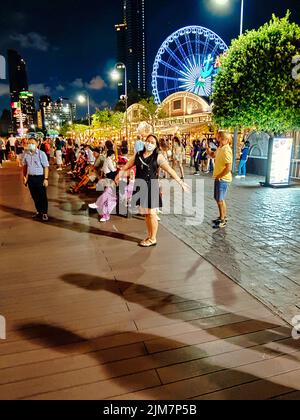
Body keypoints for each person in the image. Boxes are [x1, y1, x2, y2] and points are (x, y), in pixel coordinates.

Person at [115, 134, 189, 247]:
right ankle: (150, 236)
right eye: (148, 141)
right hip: (140, 186)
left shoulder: (158, 157)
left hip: (151, 186)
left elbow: (169, 170)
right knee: (146, 214)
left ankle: (153, 238)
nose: (149, 143)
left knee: (152, 213)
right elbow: (127, 166)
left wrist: (181, 182)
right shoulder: (138, 155)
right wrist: (119, 175)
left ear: (156, 145)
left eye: (152, 142)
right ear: (145, 142)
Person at [207, 131, 233, 229]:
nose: (218, 139)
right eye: (218, 138)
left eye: (220, 138)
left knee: (220, 200)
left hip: (223, 179)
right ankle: (222, 217)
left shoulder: (226, 150)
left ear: (226, 139)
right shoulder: (220, 148)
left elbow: (229, 167)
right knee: (217, 198)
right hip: (219, 178)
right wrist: (209, 151)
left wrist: (219, 176)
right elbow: (213, 155)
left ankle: (223, 220)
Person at [22, 138, 50, 221]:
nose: (31, 145)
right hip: (31, 178)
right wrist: (24, 177)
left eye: (33, 143)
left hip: (40, 178)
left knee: (42, 196)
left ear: (37, 144)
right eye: (29, 143)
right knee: (34, 196)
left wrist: (46, 179)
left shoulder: (41, 154)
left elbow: (46, 167)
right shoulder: (26, 154)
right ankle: (38, 211)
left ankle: (44, 213)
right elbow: (25, 166)